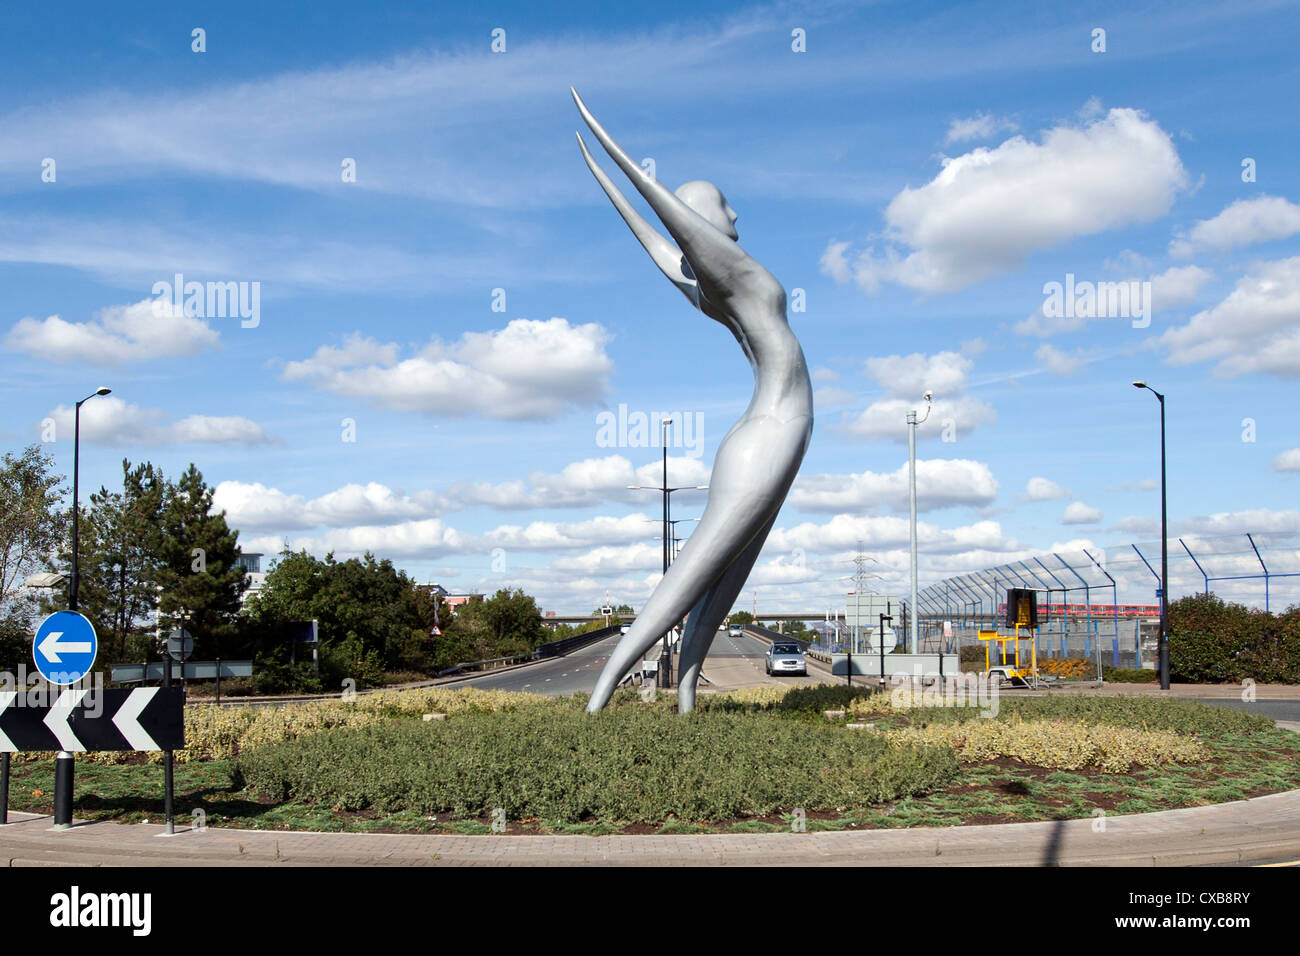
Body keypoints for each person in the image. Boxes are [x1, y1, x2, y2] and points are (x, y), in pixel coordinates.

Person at [573, 89, 814, 713]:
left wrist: (615, 182)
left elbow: (664, 249)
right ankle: (604, 690)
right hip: (771, 432)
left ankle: (685, 694)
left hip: (774, 433)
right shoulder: (741, 277)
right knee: (696, 568)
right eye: (724, 206)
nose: (738, 213)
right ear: (705, 222)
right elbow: (674, 231)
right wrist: (618, 163)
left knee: (726, 575)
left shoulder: (713, 290)